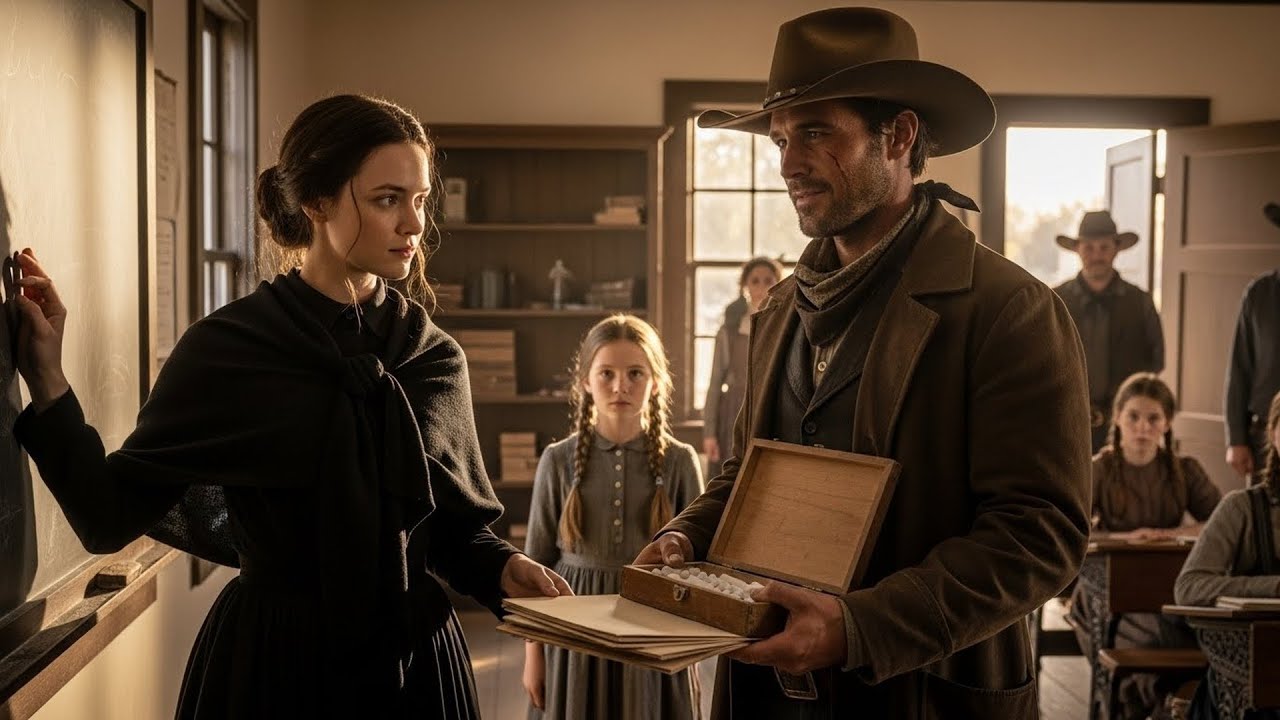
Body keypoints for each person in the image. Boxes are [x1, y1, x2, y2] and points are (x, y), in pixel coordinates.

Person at [9, 94, 571, 719]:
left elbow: (451, 533)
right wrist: (48, 379)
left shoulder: (432, 359)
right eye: (388, 198)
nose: (414, 224)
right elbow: (108, 515)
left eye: (419, 199)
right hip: (271, 666)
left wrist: (502, 566)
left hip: (413, 667)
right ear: (318, 202)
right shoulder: (230, 350)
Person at [635, 7, 1091, 719]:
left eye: (815, 132)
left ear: (900, 136)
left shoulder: (1009, 309)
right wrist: (685, 535)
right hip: (765, 690)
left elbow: (1041, 533)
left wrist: (859, 630)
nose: (787, 162)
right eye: (781, 138)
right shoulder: (779, 308)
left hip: (923, 691)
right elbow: (753, 471)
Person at [522, 314, 704, 719]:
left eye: (635, 373)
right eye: (607, 373)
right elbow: (533, 569)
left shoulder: (680, 462)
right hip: (572, 635)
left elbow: (699, 567)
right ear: (585, 381)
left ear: (655, 382)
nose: (620, 386)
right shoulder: (557, 460)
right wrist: (534, 654)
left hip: (654, 630)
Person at [1067, 372, 1221, 720]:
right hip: (1106, 587)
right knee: (1142, 633)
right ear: (1119, 417)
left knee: (1184, 630)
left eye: (1154, 418)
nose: (1143, 426)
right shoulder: (1099, 469)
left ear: (1166, 423)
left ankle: (1173, 703)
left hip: (1168, 586)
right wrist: (1125, 539)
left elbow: (1220, 522)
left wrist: (1166, 535)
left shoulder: (1184, 470)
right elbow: (1073, 530)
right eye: (1134, 416)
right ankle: (1150, 702)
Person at [1175, 388, 1280, 720]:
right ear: (1274, 434)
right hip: (1250, 679)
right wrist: (1273, 588)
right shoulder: (1242, 509)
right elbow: (1189, 587)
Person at [1053, 210, 1165, 453]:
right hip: (1065, 420)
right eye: (1089, 248)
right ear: (1078, 250)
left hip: (1125, 425)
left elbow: (1157, 360)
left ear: (1116, 249)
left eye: (1104, 247)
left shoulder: (1140, 301)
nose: (1097, 255)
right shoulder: (1055, 300)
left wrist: (1131, 408)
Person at [702, 256, 782, 472]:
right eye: (755, 280)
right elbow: (715, 381)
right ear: (745, 285)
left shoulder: (783, 324)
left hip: (770, 406)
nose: (762, 286)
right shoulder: (729, 330)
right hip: (733, 411)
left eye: (768, 280)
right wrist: (710, 431)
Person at [1223, 202, 1280, 483]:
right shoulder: (1259, 294)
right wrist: (1236, 438)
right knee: (1261, 519)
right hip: (1262, 437)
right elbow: (1239, 369)